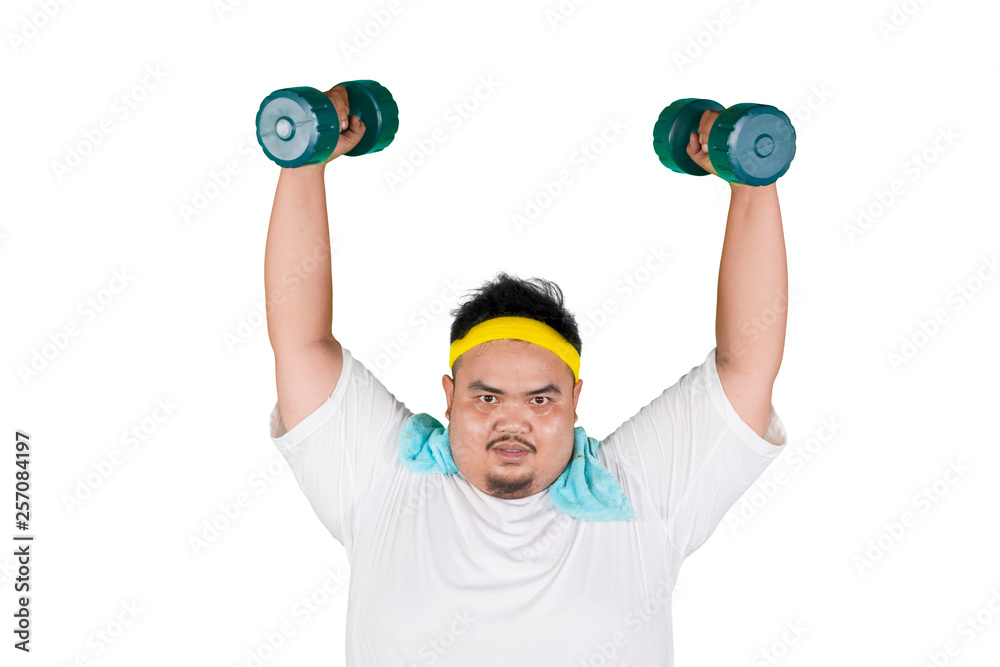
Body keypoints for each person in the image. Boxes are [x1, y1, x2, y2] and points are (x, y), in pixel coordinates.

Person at [265, 84, 788, 666]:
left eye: (540, 401)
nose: (511, 421)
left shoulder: (635, 493)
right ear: (449, 396)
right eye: (487, 397)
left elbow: (747, 364)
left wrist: (752, 183)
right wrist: (303, 165)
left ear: (575, 400)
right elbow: (301, 343)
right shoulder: (383, 479)